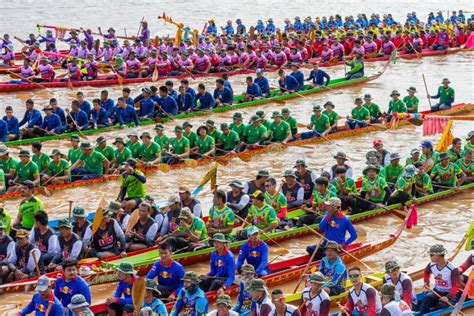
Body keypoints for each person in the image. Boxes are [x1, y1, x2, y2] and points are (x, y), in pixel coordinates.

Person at [420, 244, 460, 314]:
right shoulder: (431, 265)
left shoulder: (453, 269)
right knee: (427, 298)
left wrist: (448, 297)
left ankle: (432, 312)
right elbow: (426, 272)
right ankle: (422, 314)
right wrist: (426, 282)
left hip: (450, 294)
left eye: (431, 255)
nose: (430, 257)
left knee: (441, 305)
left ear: (437, 256)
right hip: (437, 291)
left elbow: (456, 286)